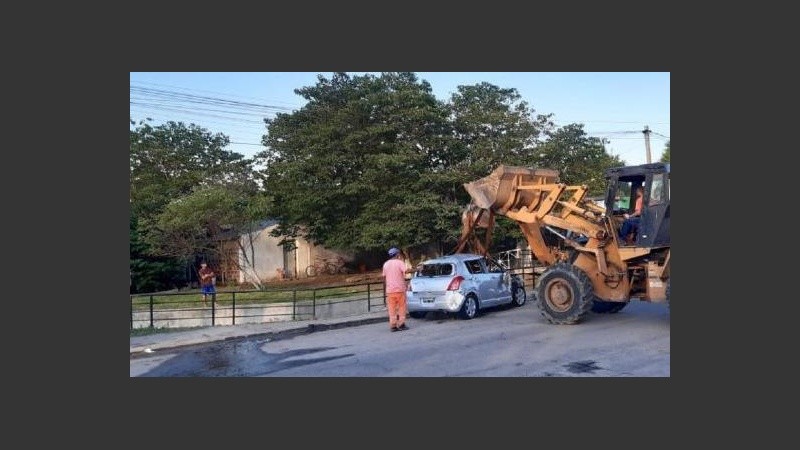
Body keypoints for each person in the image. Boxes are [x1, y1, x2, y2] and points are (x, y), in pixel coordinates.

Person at [382, 247, 417, 332]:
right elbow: (407, 271)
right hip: (400, 289)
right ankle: (401, 324)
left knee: (392, 308)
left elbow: (384, 278)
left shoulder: (386, 264)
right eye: (399, 254)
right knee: (402, 307)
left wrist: (385, 290)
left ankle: (393, 325)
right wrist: (417, 269)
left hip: (390, 291)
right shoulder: (399, 263)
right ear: (397, 254)